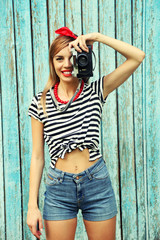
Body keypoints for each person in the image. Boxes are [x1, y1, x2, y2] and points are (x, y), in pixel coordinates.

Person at [27, 27, 145, 240]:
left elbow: (138, 57)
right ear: (52, 63)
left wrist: (97, 37)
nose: (67, 64)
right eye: (59, 58)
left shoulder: (96, 90)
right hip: (58, 189)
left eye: (73, 57)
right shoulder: (40, 102)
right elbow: (37, 157)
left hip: (97, 183)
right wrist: (32, 206)